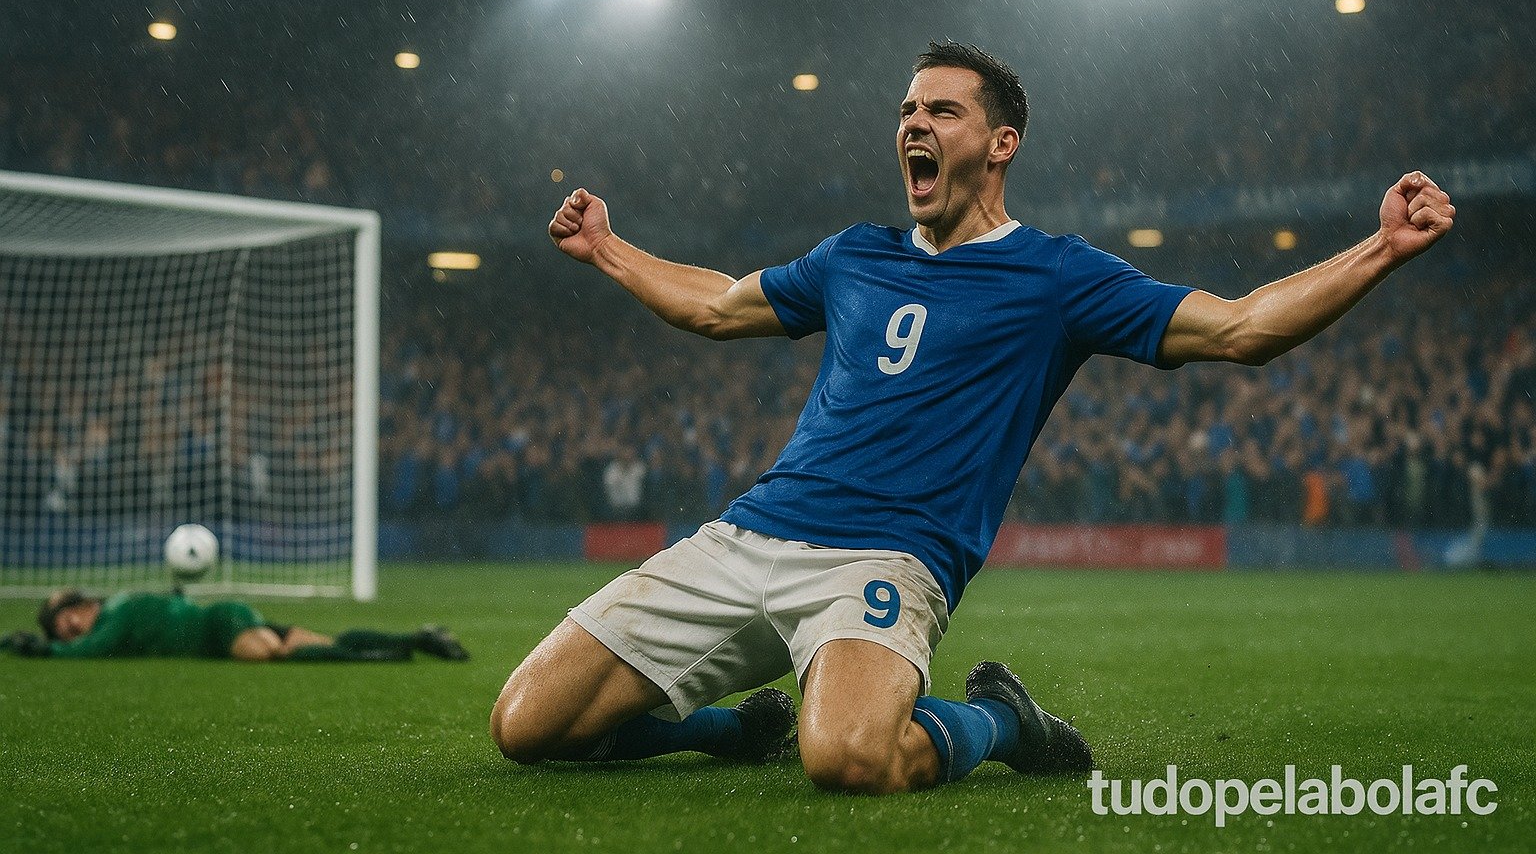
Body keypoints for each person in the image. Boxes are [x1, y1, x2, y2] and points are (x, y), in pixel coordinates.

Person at [491, 41, 1456, 793]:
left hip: (886, 556)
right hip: (748, 536)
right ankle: (730, 728)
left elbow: (1241, 328)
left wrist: (1379, 248)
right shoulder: (854, 255)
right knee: (526, 726)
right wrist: (609, 249)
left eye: (941, 111)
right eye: (907, 110)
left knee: (850, 761)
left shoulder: (1056, 276)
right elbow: (716, 306)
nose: (914, 123)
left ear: (1001, 144)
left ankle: (999, 722)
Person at [3, 587, 470, 662]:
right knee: (317, 640)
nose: (70, 631)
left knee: (269, 654)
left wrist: (42, 649)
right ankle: (417, 638)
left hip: (221, 624)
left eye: (67, 622)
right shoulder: (129, 605)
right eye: (60, 632)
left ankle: (386, 656)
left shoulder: (116, 614)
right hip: (226, 616)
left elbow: (92, 650)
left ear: (83, 605)